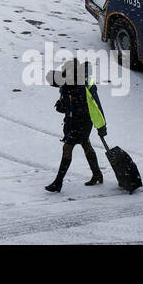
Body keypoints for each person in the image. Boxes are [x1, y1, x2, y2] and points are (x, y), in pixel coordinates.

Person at [45, 59, 107, 192]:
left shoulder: (84, 85)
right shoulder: (67, 81)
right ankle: (97, 174)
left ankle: (58, 182)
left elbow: (96, 106)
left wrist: (102, 126)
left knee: (67, 148)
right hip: (72, 120)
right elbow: (53, 80)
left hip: (83, 122)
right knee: (86, 145)